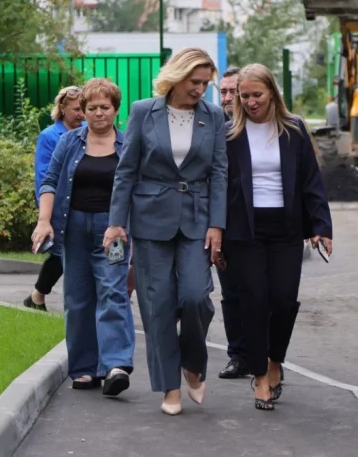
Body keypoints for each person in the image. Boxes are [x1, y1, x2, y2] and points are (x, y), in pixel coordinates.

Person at [104, 47, 228, 416]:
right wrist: (116, 222)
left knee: (195, 296)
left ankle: (192, 363)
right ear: (176, 77)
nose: (200, 89)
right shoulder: (144, 111)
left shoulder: (214, 115)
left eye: (205, 83)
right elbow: (126, 170)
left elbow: (219, 173)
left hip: (196, 219)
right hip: (150, 218)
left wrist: (217, 224)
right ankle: (170, 387)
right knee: (157, 305)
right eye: (195, 82)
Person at [222, 63, 333, 411]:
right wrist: (216, 232)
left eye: (257, 94)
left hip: (286, 229)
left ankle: (274, 360)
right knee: (254, 302)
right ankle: (259, 377)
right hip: (244, 231)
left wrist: (321, 226)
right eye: (244, 96)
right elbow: (218, 187)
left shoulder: (293, 130)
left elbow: (311, 181)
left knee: (284, 301)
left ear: (271, 92)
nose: (250, 102)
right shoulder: (229, 134)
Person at [31, 78, 136, 396]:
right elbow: (50, 180)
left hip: (113, 231)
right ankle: (84, 368)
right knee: (77, 299)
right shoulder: (69, 141)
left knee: (113, 292)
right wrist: (44, 221)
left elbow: (139, 187)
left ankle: (115, 365)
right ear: (83, 110)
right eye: (91, 108)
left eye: (105, 107)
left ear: (116, 110)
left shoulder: (128, 144)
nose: (98, 113)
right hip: (73, 228)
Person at [24, 86, 84, 311]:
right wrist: (45, 215)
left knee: (72, 252)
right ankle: (37, 296)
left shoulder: (88, 131)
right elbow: (44, 177)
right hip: (57, 204)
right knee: (60, 252)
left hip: (82, 202)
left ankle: (37, 296)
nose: (81, 114)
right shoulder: (49, 136)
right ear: (62, 109)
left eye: (83, 108)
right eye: (76, 109)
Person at [215, 66, 250, 379]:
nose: (226, 98)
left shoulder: (262, 129)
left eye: (232, 91)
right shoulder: (216, 131)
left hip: (261, 228)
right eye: (222, 91)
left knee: (265, 295)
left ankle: (267, 357)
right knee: (232, 295)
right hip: (225, 228)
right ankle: (238, 356)